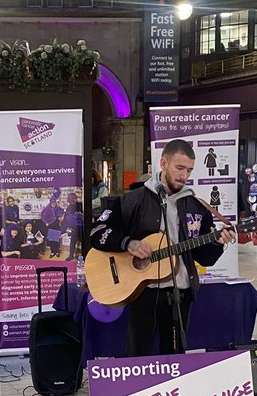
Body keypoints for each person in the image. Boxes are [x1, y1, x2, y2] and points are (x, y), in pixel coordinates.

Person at [90, 139, 235, 355]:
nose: (184, 176)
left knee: (174, 354)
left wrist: (217, 242)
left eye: (189, 170)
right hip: (142, 291)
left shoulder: (197, 207)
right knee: (138, 354)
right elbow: (96, 232)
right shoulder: (133, 200)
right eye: (179, 168)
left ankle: (172, 390)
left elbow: (205, 258)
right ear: (164, 163)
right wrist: (128, 243)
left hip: (180, 292)